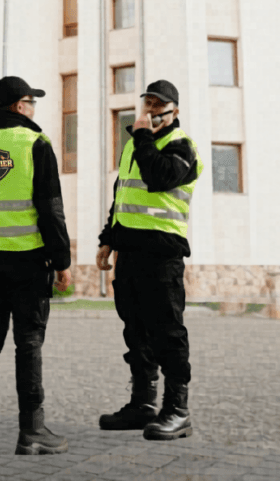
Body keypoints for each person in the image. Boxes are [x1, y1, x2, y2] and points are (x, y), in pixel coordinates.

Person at [0, 76, 74, 456]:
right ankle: (31, 432)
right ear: (20, 106)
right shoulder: (34, 144)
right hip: (30, 264)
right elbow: (51, 207)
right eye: (31, 102)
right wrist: (63, 261)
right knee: (29, 344)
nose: (34, 108)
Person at [95, 79, 204, 441]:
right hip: (130, 255)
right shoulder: (134, 149)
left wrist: (141, 137)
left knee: (167, 332)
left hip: (162, 256)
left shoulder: (182, 147)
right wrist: (108, 240)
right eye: (148, 105)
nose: (152, 112)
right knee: (136, 333)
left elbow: (157, 177)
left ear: (175, 111)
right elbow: (122, 196)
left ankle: (177, 410)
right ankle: (142, 404)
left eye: (160, 106)